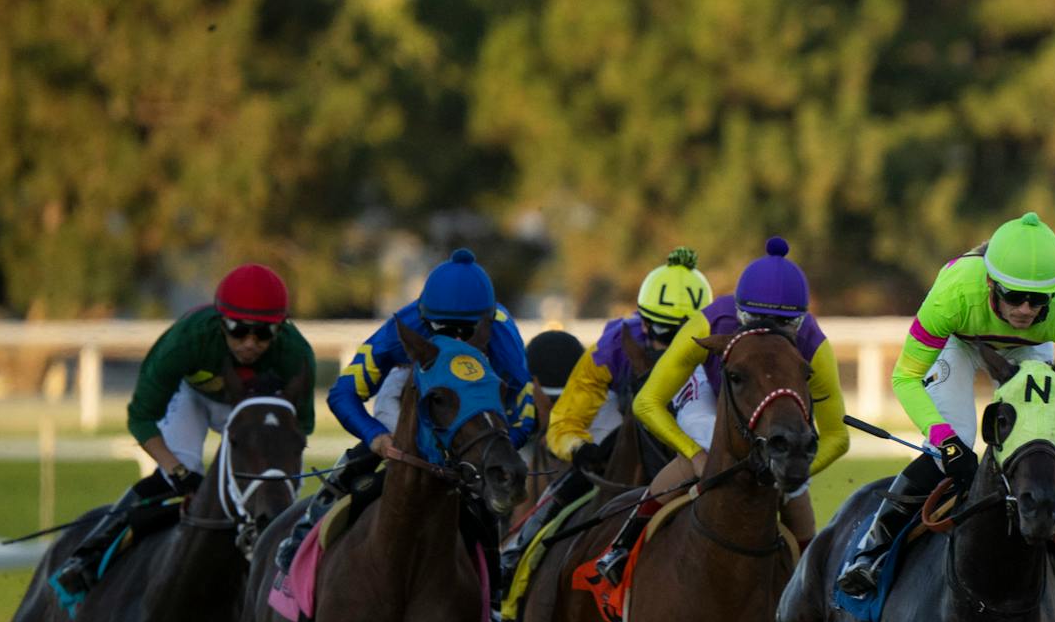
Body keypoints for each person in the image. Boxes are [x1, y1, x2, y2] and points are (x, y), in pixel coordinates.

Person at [833, 211, 1055, 615]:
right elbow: (905, 377)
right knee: (956, 442)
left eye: (1038, 300)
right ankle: (870, 551)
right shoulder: (955, 293)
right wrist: (942, 440)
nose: (1026, 310)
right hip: (960, 343)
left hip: (1028, 353)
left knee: (1047, 452)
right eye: (1014, 296)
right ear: (991, 284)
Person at [590, 237, 847, 584]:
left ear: (800, 323)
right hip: (712, 388)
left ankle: (809, 583)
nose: (766, 334)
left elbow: (838, 437)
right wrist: (694, 457)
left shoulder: (815, 348)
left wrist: (790, 470)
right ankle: (621, 546)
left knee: (793, 470)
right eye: (755, 320)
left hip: (767, 403)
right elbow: (646, 403)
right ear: (739, 314)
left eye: (781, 326)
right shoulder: (708, 323)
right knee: (706, 433)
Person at [52, 264, 315, 600]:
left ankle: (291, 572)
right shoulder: (186, 341)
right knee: (175, 477)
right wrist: (177, 471)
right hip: (194, 398)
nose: (250, 343)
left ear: (281, 329)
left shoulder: (295, 354)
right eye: (238, 331)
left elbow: (300, 428)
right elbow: (141, 418)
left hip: (256, 409)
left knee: (271, 487)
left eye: (263, 333)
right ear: (221, 322)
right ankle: (90, 555)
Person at [276, 248, 534, 584]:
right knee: (368, 456)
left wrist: (489, 450)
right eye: (442, 329)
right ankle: (308, 527)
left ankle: (494, 592)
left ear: (484, 325)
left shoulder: (502, 337)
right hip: (412, 388)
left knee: (485, 500)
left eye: (464, 332)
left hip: (474, 404)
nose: (453, 341)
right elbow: (344, 393)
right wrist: (375, 437)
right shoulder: (405, 326)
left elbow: (524, 415)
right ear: (425, 319)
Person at [502, 249, 713, 567]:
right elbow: (565, 421)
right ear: (644, 323)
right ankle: (521, 552)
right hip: (624, 416)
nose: (676, 348)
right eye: (667, 335)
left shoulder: (723, 346)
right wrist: (581, 449)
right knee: (597, 453)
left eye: (687, 335)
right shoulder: (612, 348)